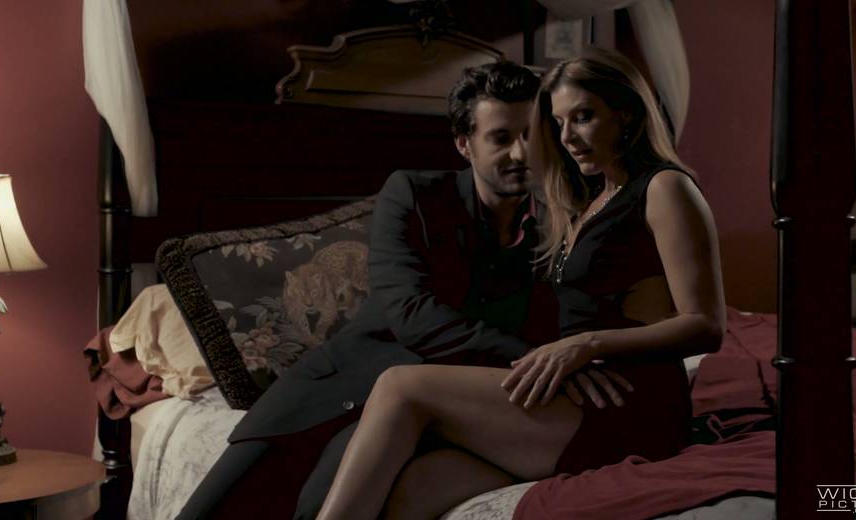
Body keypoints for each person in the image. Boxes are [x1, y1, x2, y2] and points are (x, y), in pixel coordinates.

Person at [179, 60, 623, 520]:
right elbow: (411, 313)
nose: (522, 152)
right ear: (464, 144)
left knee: (317, 506)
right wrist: (535, 358)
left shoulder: (561, 221)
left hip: (435, 410)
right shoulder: (413, 194)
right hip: (334, 391)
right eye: (501, 138)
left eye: (532, 135)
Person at [315, 47, 727, 520]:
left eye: (584, 117)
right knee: (412, 490)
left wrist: (585, 346)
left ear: (627, 114)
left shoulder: (665, 188)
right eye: (558, 123)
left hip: (629, 405)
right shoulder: (586, 198)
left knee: (399, 387)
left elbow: (706, 325)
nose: (567, 137)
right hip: (577, 398)